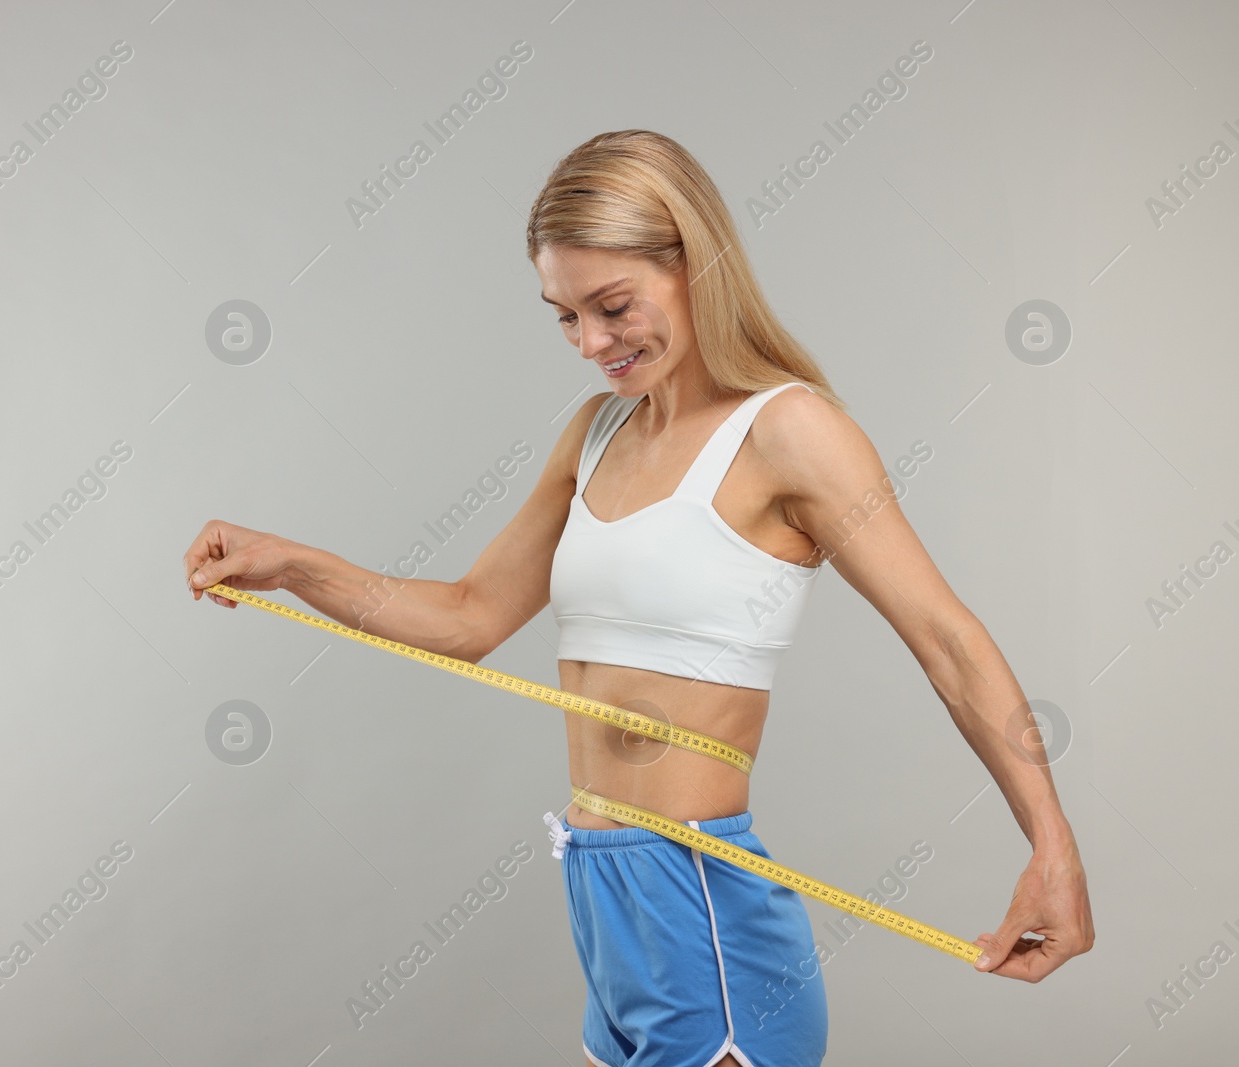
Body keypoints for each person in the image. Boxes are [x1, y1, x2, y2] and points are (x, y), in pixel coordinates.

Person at [184, 129, 1092, 1067]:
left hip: (697, 896)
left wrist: (1052, 847)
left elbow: (948, 639)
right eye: (566, 316)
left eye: (612, 306)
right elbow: (467, 616)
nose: (591, 344)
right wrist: (291, 563)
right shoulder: (597, 430)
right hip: (599, 889)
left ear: (694, 262)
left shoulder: (789, 433)